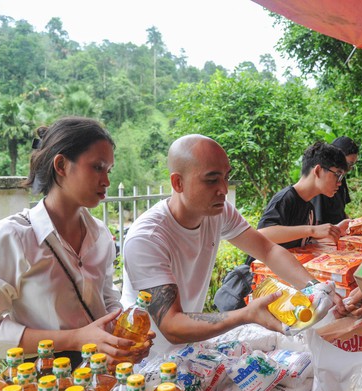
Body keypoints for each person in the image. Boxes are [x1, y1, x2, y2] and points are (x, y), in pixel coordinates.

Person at [121, 134, 349, 358]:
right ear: (177, 182)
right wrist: (246, 314)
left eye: (226, 177)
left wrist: (315, 289)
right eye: (211, 180)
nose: (223, 188)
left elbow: (267, 250)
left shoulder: (217, 212)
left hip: (188, 348)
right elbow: (171, 324)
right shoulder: (147, 238)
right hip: (144, 358)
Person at [0, 116, 151, 366]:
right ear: (61, 165)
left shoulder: (101, 235)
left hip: (103, 375)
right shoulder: (12, 237)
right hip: (44, 383)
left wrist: (124, 338)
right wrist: (75, 339)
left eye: (108, 171)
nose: (106, 181)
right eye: (97, 167)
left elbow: (107, 299)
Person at [253, 141, 350, 253]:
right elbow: (263, 233)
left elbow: (302, 241)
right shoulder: (286, 198)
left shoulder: (310, 207)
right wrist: (312, 230)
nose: (340, 183)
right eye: (338, 175)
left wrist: (334, 230)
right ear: (318, 171)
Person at [310, 136, 360, 225]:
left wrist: (353, 224)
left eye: (352, 166)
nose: (347, 169)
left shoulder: (341, 177)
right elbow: (316, 224)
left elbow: (340, 212)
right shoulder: (321, 184)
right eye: (348, 164)